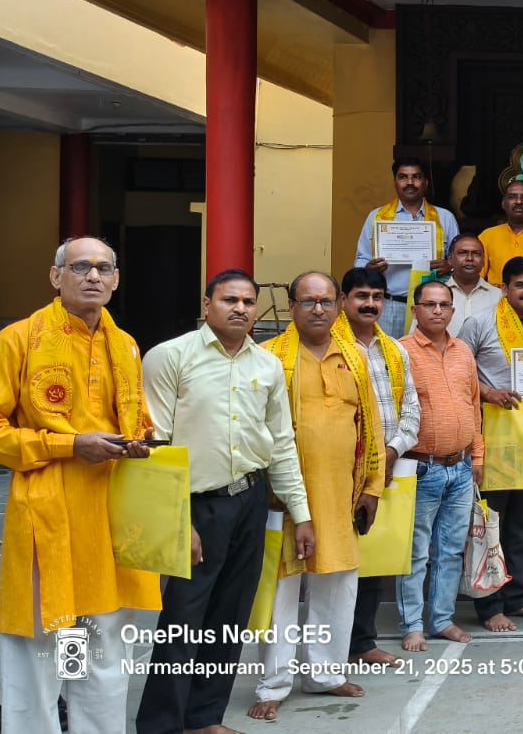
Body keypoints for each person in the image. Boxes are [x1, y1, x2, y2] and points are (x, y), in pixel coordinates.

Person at [0, 238, 158, 734]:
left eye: (104, 268)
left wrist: (140, 443)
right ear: (55, 276)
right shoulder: (19, 339)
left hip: (111, 518)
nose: (93, 276)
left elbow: (137, 420)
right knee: (40, 647)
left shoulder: (125, 345)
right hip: (48, 515)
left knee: (103, 648)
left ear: (116, 280)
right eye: (80, 266)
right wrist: (69, 445)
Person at [135, 269, 314, 734]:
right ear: (206, 304)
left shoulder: (267, 365)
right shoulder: (169, 357)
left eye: (248, 301)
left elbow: (282, 443)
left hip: (249, 501)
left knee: (231, 616)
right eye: (229, 299)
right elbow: (157, 445)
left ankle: (204, 718)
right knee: (183, 620)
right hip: (195, 506)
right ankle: (161, 724)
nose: (240, 308)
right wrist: (179, 521)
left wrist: (300, 513)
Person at [250, 271, 384, 721]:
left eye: (326, 301)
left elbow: (371, 426)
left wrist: (371, 487)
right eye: (308, 301)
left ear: (339, 304)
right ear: (292, 306)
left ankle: (325, 674)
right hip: (282, 498)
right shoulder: (269, 357)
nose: (318, 309)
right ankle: (273, 683)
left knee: (338, 584)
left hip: (341, 494)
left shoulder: (354, 357)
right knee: (281, 593)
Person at [457, 256, 523, 631]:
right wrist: (489, 392)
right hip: (495, 434)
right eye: (520, 285)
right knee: (492, 523)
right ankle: (489, 606)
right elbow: (459, 371)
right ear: (504, 288)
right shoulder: (479, 323)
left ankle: (518, 598)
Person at [338, 267, 421, 670]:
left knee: (374, 556)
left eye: (377, 296)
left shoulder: (394, 350)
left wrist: (390, 452)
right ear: (343, 300)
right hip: (339, 470)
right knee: (338, 561)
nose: (370, 303)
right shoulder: (331, 347)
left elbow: (412, 411)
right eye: (361, 296)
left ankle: (362, 642)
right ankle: (330, 647)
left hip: (385, 469)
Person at [399, 279, 484, 651]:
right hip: (421, 468)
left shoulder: (463, 350)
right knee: (416, 553)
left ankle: (442, 620)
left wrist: (477, 456)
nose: (437, 311)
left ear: (452, 310)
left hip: (461, 468)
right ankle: (412, 625)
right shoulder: (401, 351)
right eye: (429, 304)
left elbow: (474, 406)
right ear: (415, 310)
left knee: (451, 551)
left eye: (444, 305)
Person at [355, 157, 459, 337]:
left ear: (426, 182)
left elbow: (458, 259)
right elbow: (360, 260)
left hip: (431, 307)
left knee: (428, 354)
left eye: (416, 177)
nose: (410, 182)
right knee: (386, 354)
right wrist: (368, 268)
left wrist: (449, 266)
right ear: (395, 182)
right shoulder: (377, 217)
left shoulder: (445, 218)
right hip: (389, 305)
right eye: (403, 177)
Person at [435, 233, 501, 339]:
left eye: (476, 254)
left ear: (483, 261)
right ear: (450, 259)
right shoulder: (434, 294)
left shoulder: (498, 296)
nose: (469, 258)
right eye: (462, 253)